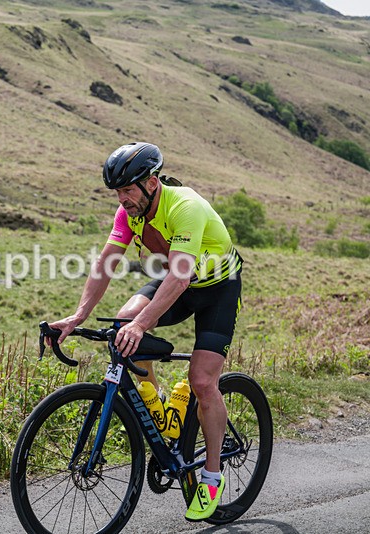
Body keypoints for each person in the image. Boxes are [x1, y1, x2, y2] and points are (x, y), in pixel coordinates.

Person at [48, 142, 242, 522]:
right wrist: (78, 316)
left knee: (203, 381)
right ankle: (162, 412)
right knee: (123, 324)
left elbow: (180, 277)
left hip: (216, 289)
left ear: (151, 183)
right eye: (117, 192)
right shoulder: (128, 213)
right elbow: (106, 264)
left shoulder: (185, 206)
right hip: (176, 282)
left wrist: (142, 325)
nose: (122, 199)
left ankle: (211, 476)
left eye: (127, 190)